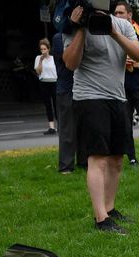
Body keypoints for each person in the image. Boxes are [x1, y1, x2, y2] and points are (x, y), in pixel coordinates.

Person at [63, 1, 139, 234]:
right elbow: (70, 63)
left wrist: (113, 32)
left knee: (117, 158)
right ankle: (101, 219)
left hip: (118, 98)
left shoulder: (121, 24)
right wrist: (80, 28)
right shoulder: (74, 26)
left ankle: (109, 209)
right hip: (89, 98)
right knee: (98, 158)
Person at [112, 2, 139, 167]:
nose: (118, 16)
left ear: (130, 15)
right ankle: (132, 158)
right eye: (116, 13)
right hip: (121, 87)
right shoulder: (112, 32)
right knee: (125, 125)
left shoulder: (138, 32)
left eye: (121, 13)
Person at [51, 31, 79, 173]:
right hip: (66, 89)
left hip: (82, 88)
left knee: (85, 127)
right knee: (67, 129)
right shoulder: (59, 38)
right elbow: (68, 62)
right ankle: (66, 165)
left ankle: (85, 161)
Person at [34, 39, 58, 136]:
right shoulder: (38, 58)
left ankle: (60, 126)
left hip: (54, 82)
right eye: (41, 49)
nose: (43, 51)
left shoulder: (53, 58)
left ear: (48, 49)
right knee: (48, 105)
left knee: (57, 105)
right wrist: (40, 61)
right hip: (44, 82)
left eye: (44, 49)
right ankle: (51, 127)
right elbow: (38, 72)